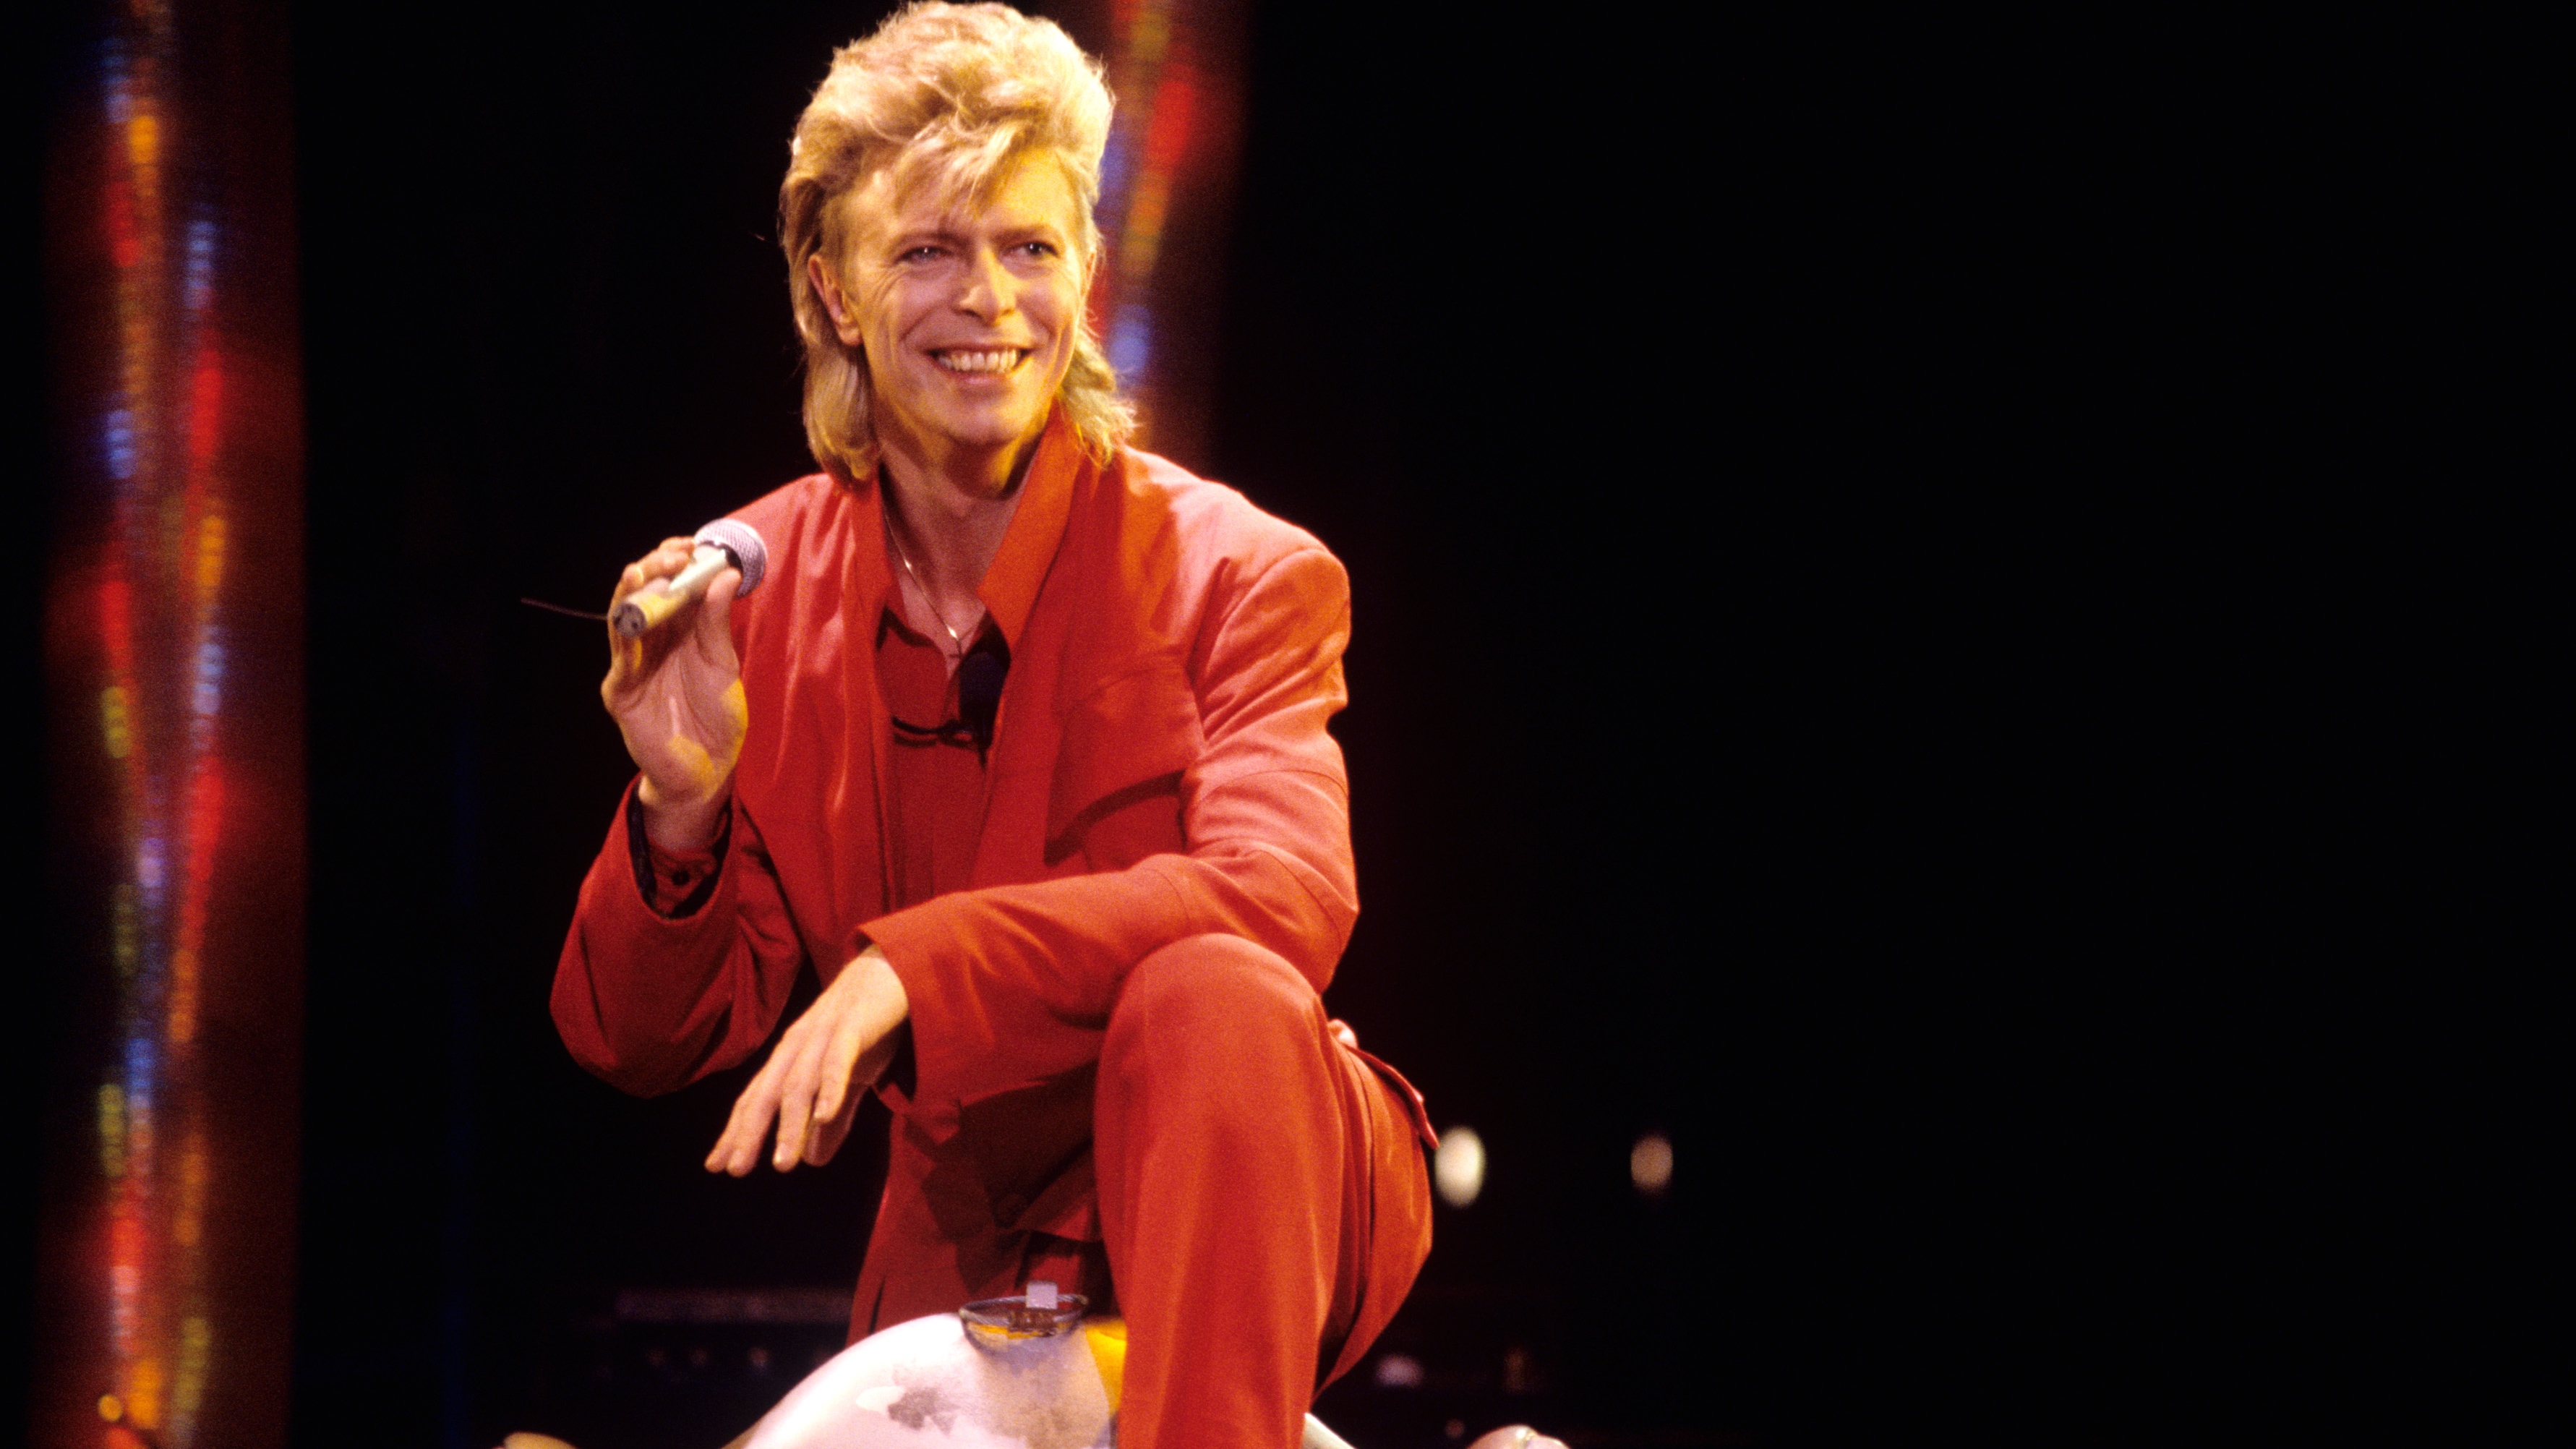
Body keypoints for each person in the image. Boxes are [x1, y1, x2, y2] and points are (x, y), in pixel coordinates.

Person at [550, 5, 1436, 1444]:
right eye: (928, 251)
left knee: (1208, 993)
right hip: (981, 1218)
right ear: (835, 290)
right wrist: (679, 808)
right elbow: (638, 1045)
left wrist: (912, 971)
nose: (993, 300)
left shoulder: (1244, 566)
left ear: (1086, 271)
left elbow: (1288, 900)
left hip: (1258, 1160)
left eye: (1031, 247)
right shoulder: (762, 595)